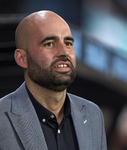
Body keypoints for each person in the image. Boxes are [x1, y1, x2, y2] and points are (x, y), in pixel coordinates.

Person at [0, 10, 107, 150]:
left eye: (68, 43)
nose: (64, 52)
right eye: (49, 44)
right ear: (22, 58)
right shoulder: (2, 117)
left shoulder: (93, 114)